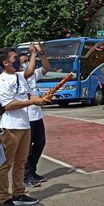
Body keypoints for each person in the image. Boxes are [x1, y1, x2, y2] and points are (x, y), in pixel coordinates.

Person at [0, 48, 51, 206]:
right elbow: (8, 105)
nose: (18, 60)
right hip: (10, 128)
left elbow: (29, 91)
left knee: (20, 162)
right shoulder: (2, 80)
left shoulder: (20, 76)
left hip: (24, 125)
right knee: (5, 164)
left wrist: (42, 98)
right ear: (5, 62)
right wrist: (33, 102)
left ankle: (19, 193)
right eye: (15, 58)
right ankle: (3, 198)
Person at [21, 43, 51, 188]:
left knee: (40, 144)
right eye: (23, 57)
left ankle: (32, 171)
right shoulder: (18, 76)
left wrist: (42, 53)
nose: (26, 59)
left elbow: (46, 68)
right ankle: (26, 176)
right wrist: (33, 53)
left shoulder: (32, 75)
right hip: (25, 118)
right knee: (27, 148)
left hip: (37, 116)